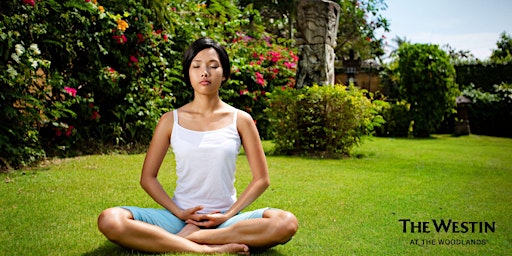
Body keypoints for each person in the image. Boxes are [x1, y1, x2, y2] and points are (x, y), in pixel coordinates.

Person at [97, 37, 298, 254]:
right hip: (177, 218)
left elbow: (262, 179)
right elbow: (148, 178)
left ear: (224, 74)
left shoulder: (241, 120)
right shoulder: (169, 120)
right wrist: (181, 214)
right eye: (197, 66)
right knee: (110, 219)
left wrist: (229, 214)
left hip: (226, 220)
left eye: (213, 66)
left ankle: (193, 238)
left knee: (286, 223)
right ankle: (208, 249)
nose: (205, 72)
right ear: (188, 73)